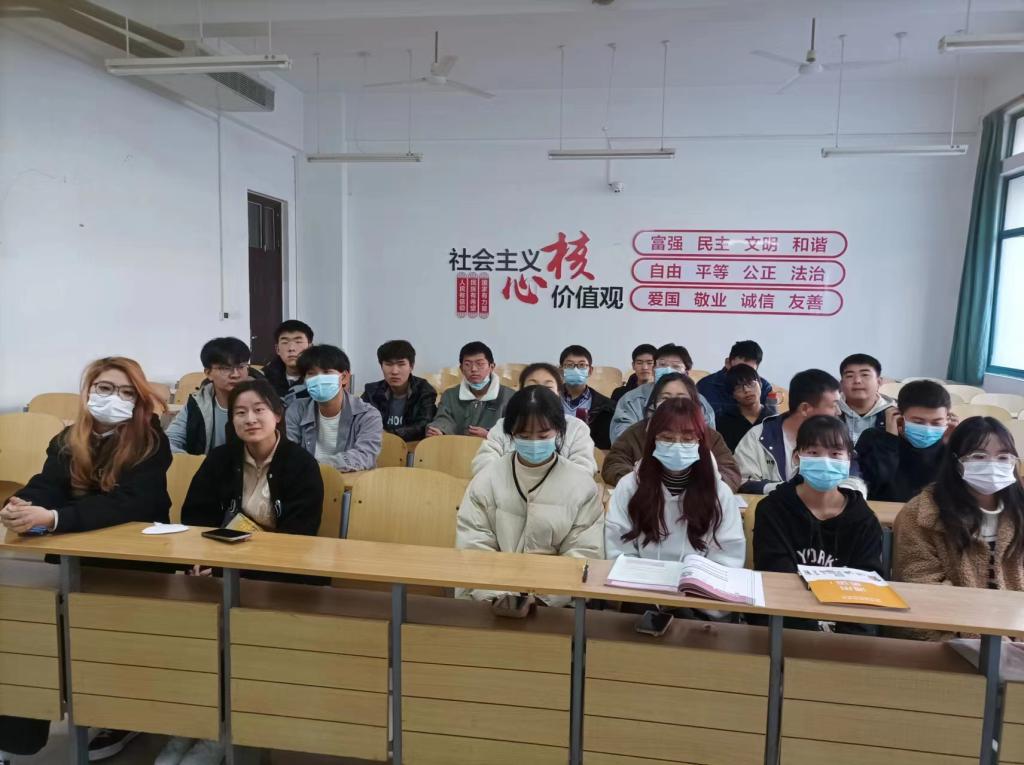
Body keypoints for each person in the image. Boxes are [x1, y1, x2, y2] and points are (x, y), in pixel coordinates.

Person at [0, 357, 171, 762]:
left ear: (138, 400)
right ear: (89, 391)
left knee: (106, 636)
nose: (115, 398)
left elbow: (128, 504)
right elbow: (48, 484)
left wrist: (54, 519)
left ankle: (122, 717)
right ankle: (17, 735)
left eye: (126, 393)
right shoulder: (67, 438)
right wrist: (22, 505)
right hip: (72, 559)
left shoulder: (151, 442)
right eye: (106, 389)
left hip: (132, 565)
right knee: (29, 627)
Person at [170, 379, 324, 765]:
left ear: (278, 415)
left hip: (278, 575)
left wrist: (246, 571)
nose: (250, 419)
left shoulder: (301, 465)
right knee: (184, 632)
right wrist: (200, 562)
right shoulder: (220, 459)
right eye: (240, 412)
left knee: (247, 640)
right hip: (220, 569)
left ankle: (230, 734)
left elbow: (300, 537)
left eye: (258, 410)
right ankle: (192, 723)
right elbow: (195, 517)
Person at [456, 385, 605, 611]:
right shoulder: (487, 479)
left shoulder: (581, 485)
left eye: (543, 435)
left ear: (559, 431)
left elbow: (584, 553)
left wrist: (544, 598)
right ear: (511, 434)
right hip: (490, 600)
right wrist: (500, 598)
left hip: (556, 606)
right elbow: (474, 546)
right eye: (524, 436)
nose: (534, 442)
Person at [894, 417, 1024, 640]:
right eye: (979, 456)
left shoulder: (1019, 512)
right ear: (956, 461)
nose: (992, 465)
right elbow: (921, 586)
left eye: (1003, 457)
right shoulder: (921, 513)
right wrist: (982, 640)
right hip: (948, 635)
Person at [753, 415, 883, 634]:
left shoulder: (864, 519)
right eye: (813, 453)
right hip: (787, 623)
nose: (825, 461)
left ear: (849, 460)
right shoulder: (773, 509)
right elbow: (775, 576)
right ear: (797, 457)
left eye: (835, 454)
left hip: (847, 626)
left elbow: (867, 585)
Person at [605, 397, 744, 582]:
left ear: (700, 441)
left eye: (687, 439)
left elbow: (728, 555)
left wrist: (694, 587)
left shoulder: (719, 493)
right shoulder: (629, 486)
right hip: (638, 586)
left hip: (698, 591)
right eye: (667, 438)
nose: (677, 446)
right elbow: (618, 547)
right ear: (653, 440)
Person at [602, 373, 741, 491]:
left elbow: (731, 472)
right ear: (654, 402)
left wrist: (703, 482)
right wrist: (639, 479)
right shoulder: (636, 432)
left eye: (681, 397)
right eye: (665, 398)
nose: (673, 403)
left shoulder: (709, 435)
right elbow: (613, 465)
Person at [735, 369, 865, 495]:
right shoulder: (759, 436)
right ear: (805, 408)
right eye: (833, 405)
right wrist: (793, 491)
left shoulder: (837, 437)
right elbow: (743, 483)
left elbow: (853, 478)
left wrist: (843, 492)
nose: (839, 412)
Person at [472, 364, 597, 476]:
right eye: (532, 386)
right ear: (520, 392)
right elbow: (483, 463)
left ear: (559, 393)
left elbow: (584, 470)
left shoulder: (576, 428)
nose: (539, 393)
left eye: (548, 387)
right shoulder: (503, 425)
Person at [856, 380, 958, 503]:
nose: (928, 429)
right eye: (918, 422)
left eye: (936, 423)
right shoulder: (872, 438)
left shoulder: (949, 444)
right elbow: (875, 483)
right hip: (884, 511)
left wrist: (953, 447)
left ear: (947, 419)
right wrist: (890, 440)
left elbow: (955, 491)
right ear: (899, 415)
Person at [286, 344, 382, 472]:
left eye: (326, 372)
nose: (319, 379)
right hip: (307, 480)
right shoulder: (297, 410)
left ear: (344, 377)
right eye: (311, 374)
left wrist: (315, 465)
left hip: (351, 481)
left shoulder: (367, 414)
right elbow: (288, 453)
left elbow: (365, 456)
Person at [166, 337, 260, 455]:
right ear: (208, 373)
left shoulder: (265, 402)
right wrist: (196, 462)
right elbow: (170, 442)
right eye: (225, 368)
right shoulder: (198, 402)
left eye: (241, 367)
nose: (235, 375)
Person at [610, 343, 715, 443]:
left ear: (686, 373)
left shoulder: (699, 402)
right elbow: (621, 439)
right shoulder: (632, 399)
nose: (668, 370)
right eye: (662, 365)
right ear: (654, 370)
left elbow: (709, 439)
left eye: (675, 366)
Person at [426, 341, 515, 437]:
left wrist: (490, 435)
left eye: (480, 364)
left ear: (491, 367)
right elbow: (443, 419)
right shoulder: (450, 395)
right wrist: (440, 430)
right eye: (467, 364)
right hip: (455, 445)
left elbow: (515, 431)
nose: (473, 369)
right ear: (461, 368)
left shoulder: (510, 396)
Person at [361, 339, 437, 442]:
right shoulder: (371, 391)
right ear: (381, 366)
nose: (394, 371)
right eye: (388, 364)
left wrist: (388, 436)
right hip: (378, 447)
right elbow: (360, 421)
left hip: (412, 448)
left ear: (411, 366)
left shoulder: (424, 390)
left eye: (401, 364)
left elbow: (423, 426)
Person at [696, 340, 775, 418]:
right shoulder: (705, 386)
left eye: (750, 372)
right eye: (739, 369)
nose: (743, 376)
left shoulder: (765, 388)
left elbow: (773, 422)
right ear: (728, 363)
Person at [559, 344, 614, 450]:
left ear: (590, 370)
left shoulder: (607, 407)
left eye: (582, 365)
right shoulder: (547, 401)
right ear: (561, 370)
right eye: (569, 365)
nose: (575, 370)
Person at [837, 353, 894, 444]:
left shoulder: (894, 414)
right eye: (850, 376)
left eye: (865, 375)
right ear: (842, 384)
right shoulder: (830, 412)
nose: (857, 381)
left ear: (879, 382)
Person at [714, 363, 772, 452]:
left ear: (760, 384)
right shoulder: (722, 421)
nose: (746, 390)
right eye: (738, 387)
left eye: (750, 384)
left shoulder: (773, 420)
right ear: (732, 394)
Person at [261, 320, 313, 402]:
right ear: (277, 349)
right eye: (285, 342)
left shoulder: (319, 379)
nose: (291, 348)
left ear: (310, 347)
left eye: (298, 342)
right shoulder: (263, 379)